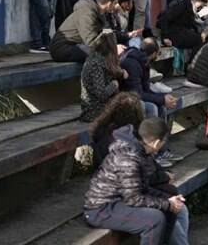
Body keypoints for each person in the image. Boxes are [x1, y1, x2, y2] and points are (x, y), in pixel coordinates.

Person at [83, 118, 189, 245]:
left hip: (119, 200)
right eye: (164, 142)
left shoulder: (141, 151)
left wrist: (169, 200)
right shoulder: (129, 158)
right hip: (101, 209)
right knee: (154, 220)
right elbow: (133, 198)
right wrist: (166, 203)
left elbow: (141, 188)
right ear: (156, 143)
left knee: (170, 208)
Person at [120, 38, 181, 167]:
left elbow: (146, 89)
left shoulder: (143, 62)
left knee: (161, 106)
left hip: (135, 96)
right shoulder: (132, 63)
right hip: (125, 100)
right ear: (154, 53)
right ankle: (152, 154)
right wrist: (161, 99)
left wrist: (163, 98)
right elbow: (137, 94)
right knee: (152, 107)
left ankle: (162, 151)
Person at [49, 0, 118, 63]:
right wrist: (113, 49)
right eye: (115, 3)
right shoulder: (87, 12)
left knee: (106, 52)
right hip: (62, 48)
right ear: (109, 3)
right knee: (103, 53)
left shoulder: (97, 12)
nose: (116, 6)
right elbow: (91, 41)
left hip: (75, 45)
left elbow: (104, 34)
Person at [80, 30, 127, 122]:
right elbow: (101, 94)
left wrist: (121, 72)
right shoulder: (96, 64)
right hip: (94, 111)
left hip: (104, 107)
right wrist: (114, 84)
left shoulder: (100, 59)